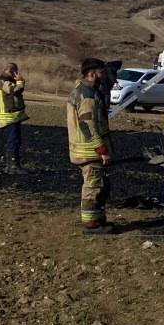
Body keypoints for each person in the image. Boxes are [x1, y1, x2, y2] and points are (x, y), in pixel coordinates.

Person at [66, 57, 115, 234]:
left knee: (99, 185)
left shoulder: (86, 91)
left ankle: (97, 218)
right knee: (92, 187)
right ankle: (91, 225)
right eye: (101, 72)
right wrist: (101, 149)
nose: (104, 76)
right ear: (92, 73)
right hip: (89, 150)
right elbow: (88, 124)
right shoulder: (86, 96)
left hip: (86, 149)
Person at [0, 62, 27, 174]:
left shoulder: (6, 81)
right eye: (14, 71)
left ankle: (10, 166)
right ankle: (13, 166)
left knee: (14, 141)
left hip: (12, 117)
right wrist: (20, 81)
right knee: (13, 141)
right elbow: (15, 91)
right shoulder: (3, 81)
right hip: (9, 117)